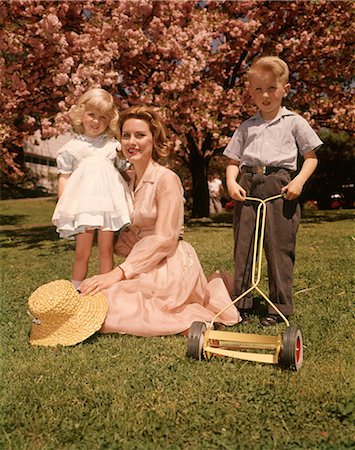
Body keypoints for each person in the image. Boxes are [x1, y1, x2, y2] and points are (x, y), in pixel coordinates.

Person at [77, 105, 241, 337]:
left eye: (140, 135)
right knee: (98, 298)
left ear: (154, 140)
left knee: (113, 307)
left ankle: (193, 316)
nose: (132, 142)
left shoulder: (167, 180)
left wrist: (119, 273)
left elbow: (166, 238)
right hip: (140, 262)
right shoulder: (126, 180)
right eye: (126, 135)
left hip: (169, 262)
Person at [224, 56, 323, 326]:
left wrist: (298, 181)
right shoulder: (246, 126)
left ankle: (279, 306)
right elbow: (233, 161)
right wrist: (232, 183)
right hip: (247, 186)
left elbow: (311, 157)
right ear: (250, 91)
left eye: (271, 88)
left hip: (281, 187)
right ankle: (242, 303)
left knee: (279, 247)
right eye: (258, 89)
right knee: (244, 245)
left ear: (285, 89)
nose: (265, 95)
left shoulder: (295, 123)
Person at [52, 88, 133, 289]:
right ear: (81, 114)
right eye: (91, 115)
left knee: (105, 250)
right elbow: (64, 177)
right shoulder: (72, 148)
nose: (96, 121)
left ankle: (106, 292)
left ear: (109, 121)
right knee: (82, 252)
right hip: (83, 206)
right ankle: (76, 290)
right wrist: (64, 204)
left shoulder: (113, 146)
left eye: (103, 117)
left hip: (108, 206)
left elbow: (127, 171)